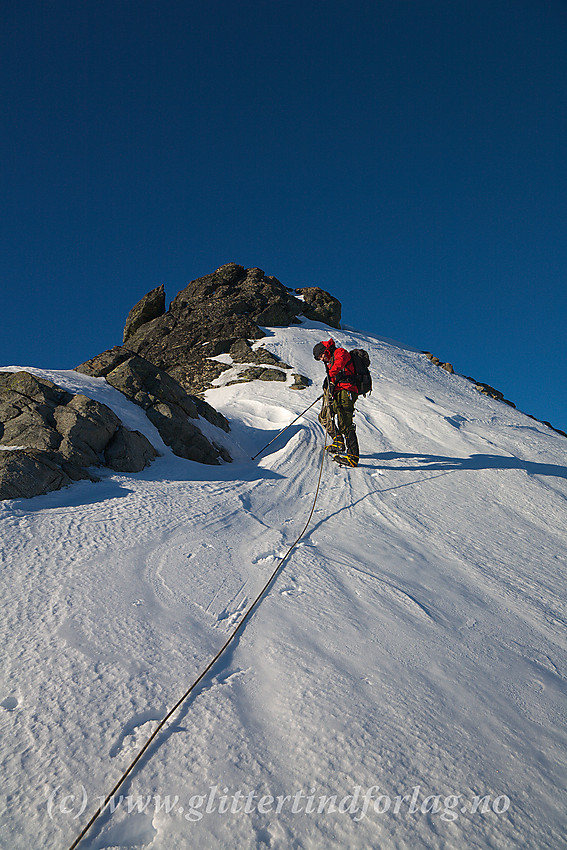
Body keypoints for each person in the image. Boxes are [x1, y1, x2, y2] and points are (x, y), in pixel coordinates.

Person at [313, 338, 360, 466]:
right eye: (319, 358)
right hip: (338, 392)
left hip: (348, 390)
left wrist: (330, 376)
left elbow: (339, 364)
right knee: (324, 417)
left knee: (345, 422)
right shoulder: (330, 363)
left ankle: (353, 457)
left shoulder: (340, 352)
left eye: (321, 356)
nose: (321, 359)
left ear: (326, 350)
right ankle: (338, 440)